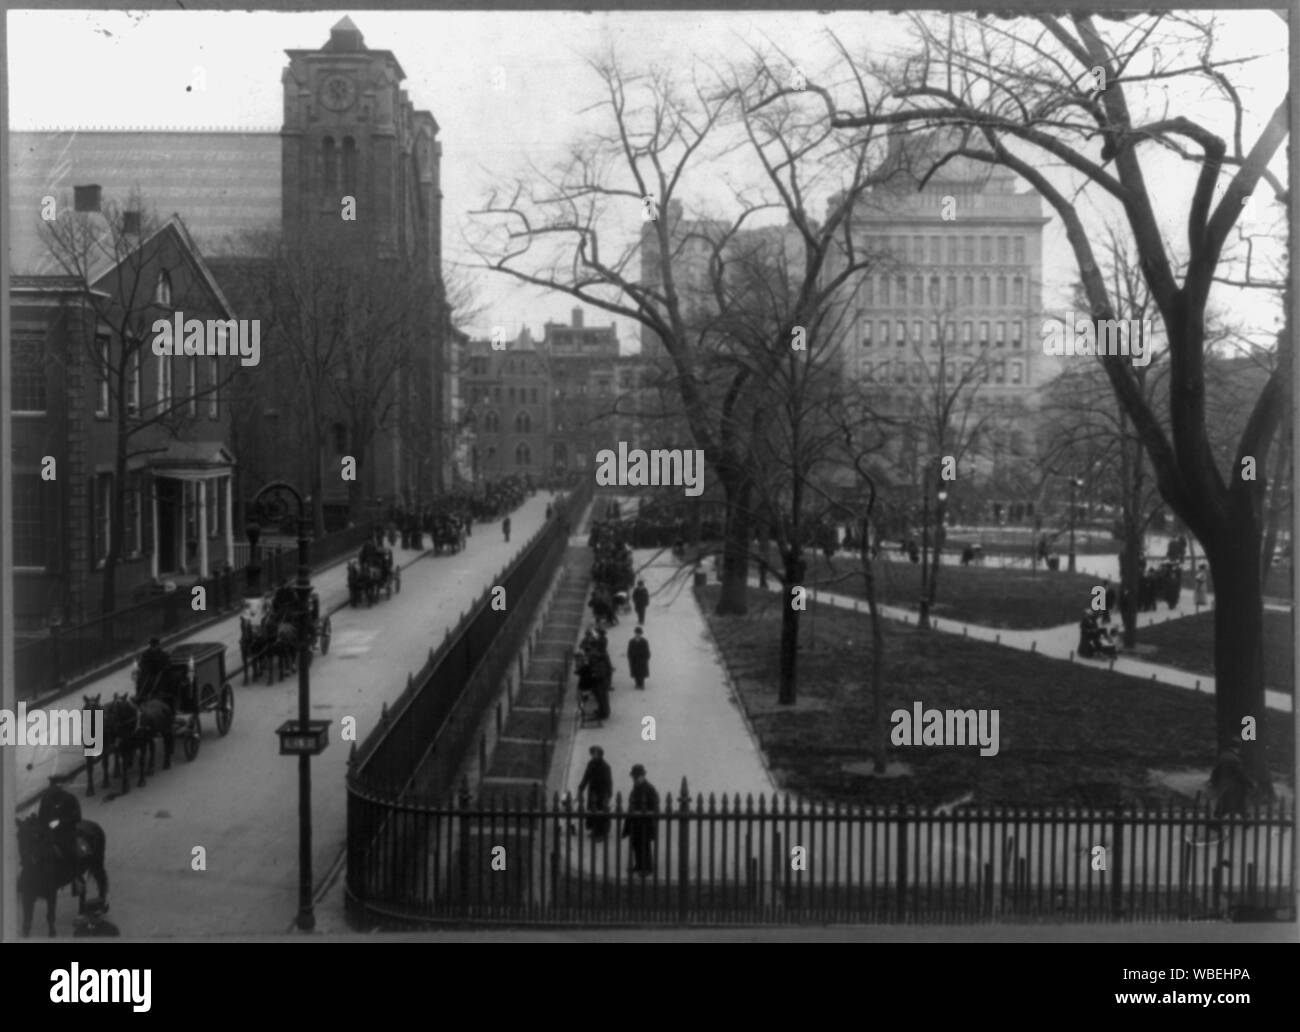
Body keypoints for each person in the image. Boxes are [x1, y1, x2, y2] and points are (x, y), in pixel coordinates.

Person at [38, 780, 85, 894]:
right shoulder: (46, 800)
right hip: (49, 832)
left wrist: (59, 823)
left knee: (70, 851)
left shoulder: (71, 799)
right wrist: (45, 826)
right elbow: (42, 816)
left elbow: (77, 817)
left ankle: (77, 878)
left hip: (66, 831)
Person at [621, 764, 659, 876]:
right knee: (636, 845)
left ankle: (647, 868)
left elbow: (654, 805)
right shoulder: (635, 788)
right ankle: (638, 865)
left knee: (644, 846)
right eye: (634, 777)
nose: (635, 779)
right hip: (635, 823)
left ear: (642, 776)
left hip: (645, 823)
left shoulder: (649, 788)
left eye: (637, 777)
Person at [577, 746, 613, 839]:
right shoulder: (591, 764)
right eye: (592, 754)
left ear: (600, 755)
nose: (593, 756)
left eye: (595, 754)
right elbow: (586, 777)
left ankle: (602, 833)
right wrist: (581, 788)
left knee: (601, 813)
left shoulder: (605, 767)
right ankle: (594, 830)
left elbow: (609, 782)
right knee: (593, 811)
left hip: (602, 793)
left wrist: (608, 795)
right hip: (593, 792)